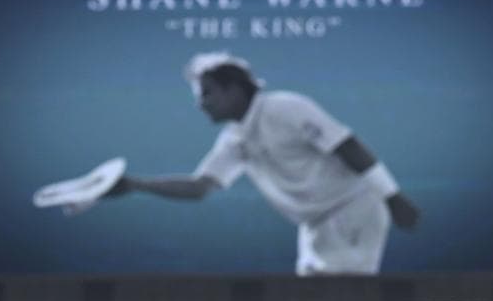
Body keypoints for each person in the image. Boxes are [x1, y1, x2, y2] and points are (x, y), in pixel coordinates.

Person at [88, 52, 420, 275]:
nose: (200, 104)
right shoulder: (235, 140)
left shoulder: (286, 107)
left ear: (233, 89)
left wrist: (393, 196)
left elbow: (347, 146)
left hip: (355, 208)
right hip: (314, 227)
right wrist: (133, 185)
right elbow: (199, 187)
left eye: (206, 93)